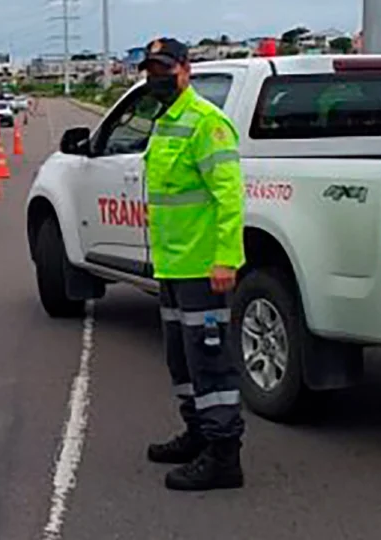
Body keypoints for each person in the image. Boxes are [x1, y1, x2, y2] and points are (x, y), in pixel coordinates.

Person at [139, 38, 247, 492]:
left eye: (164, 68)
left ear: (186, 69)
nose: (156, 77)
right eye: (150, 70)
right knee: (180, 359)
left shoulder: (206, 123)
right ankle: (198, 433)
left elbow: (230, 196)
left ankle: (223, 457)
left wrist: (226, 259)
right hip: (171, 266)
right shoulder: (166, 121)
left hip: (204, 269)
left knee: (210, 361)